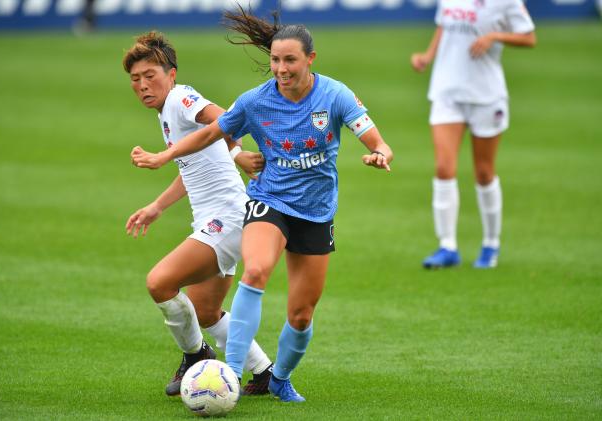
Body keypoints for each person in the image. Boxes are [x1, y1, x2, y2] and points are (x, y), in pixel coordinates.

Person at [130, 7, 393, 402]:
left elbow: (376, 140)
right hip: (266, 201)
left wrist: (380, 153)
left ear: (310, 59)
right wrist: (162, 188)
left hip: (312, 212)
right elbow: (212, 136)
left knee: (300, 316)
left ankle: (275, 376)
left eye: (289, 60)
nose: (281, 68)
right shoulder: (255, 100)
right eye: (275, 60)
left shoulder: (334, 95)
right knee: (250, 276)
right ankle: (230, 374)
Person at [122, 31, 274, 397]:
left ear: (171, 74)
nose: (143, 85)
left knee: (159, 283)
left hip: (226, 220)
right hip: (227, 219)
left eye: (150, 75)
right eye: (135, 80)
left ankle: (195, 355)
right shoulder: (167, 113)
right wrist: (157, 206)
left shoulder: (180, 97)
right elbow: (195, 166)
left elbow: (224, 118)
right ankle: (265, 372)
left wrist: (239, 155)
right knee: (206, 310)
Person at [410, 0, 536, 269]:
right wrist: (428, 56)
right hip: (447, 91)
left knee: (483, 172)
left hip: (486, 95)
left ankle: (491, 244)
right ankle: (447, 247)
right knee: (444, 168)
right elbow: (444, 26)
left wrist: (495, 36)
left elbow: (529, 37)